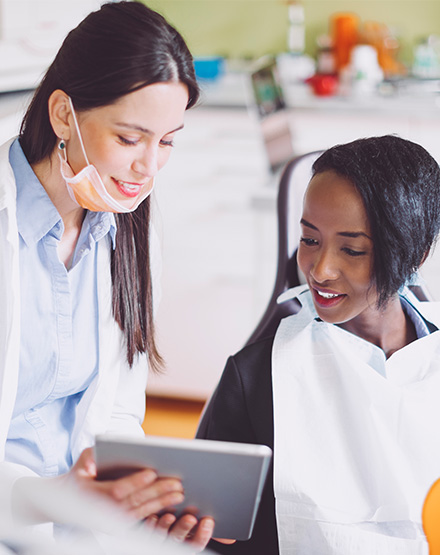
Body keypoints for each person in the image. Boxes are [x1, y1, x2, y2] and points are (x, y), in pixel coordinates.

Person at [198, 135, 440, 554]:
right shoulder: (257, 378)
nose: (320, 270)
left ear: (416, 254)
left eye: (352, 249)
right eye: (310, 240)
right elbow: (215, 535)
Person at [0, 1, 214, 550]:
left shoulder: (130, 235)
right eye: (129, 138)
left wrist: (140, 504)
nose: (148, 168)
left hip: (83, 524)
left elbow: (118, 408)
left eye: (166, 141)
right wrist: (54, 499)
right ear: (63, 115)